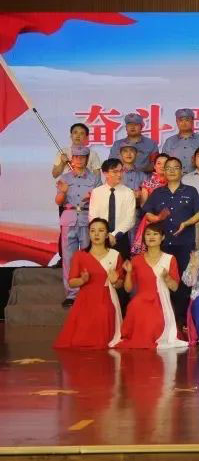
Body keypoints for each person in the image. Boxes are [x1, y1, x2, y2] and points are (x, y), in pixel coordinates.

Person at [140, 157, 199, 325]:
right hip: (162, 245)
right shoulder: (157, 193)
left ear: (182, 171)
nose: (172, 171)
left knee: (184, 280)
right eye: (168, 168)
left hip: (184, 243)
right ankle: (163, 317)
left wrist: (186, 223)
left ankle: (182, 319)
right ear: (164, 171)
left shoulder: (190, 191)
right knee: (163, 279)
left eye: (176, 167)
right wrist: (157, 218)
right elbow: (147, 213)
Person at [54, 218, 124, 349]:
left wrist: (115, 281)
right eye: (92, 231)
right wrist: (82, 280)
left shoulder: (115, 255)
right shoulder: (80, 255)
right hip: (85, 300)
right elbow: (71, 282)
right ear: (89, 233)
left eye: (101, 230)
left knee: (104, 336)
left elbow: (120, 284)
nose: (96, 234)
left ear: (107, 234)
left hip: (107, 298)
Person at [116, 223, 188, 349]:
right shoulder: (136, 260)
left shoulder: (169, 259)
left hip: (161, 301)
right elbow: (128, 288)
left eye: (155, 234)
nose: (151, 237)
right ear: (144, 238)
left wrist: (167, 277)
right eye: (148, 234)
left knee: (153, 320)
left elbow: (175, 287)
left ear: (162, 237)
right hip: (140, 300)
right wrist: (128, 272)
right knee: (135, 306)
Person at [55, 145, 101, 308]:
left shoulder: (94, 178)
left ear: (87, 160)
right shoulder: (65, 178)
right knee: (69, 258)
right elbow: (58, 202)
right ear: (72, 159)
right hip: (69, 217)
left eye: (82, 157)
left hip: (88, 218)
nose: (79, 160)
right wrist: (63, 192)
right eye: (76, 157)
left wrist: (93, 197)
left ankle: (90, 291)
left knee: (89, 256)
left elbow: (100, 200)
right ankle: (71, 294)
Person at [89, 158, 137, 259]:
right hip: (100, 238)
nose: (119, 174)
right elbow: (93, 216)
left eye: (121, 171)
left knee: (121, 267)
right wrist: (105, 234)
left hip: (121, 238)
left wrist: (113, 235)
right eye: (115, 171)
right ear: (105, 173)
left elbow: (130, 219)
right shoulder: (96, 192)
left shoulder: (128, 192)